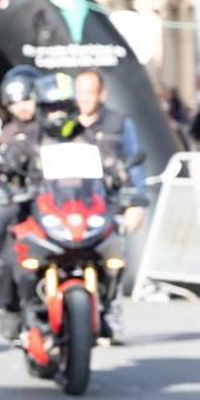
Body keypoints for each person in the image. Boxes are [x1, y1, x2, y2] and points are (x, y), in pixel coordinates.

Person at [65, 68, 147, 343]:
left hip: (107, 204)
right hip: (69, 204)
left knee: (113, 260)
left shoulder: (119, 123)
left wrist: (136, 203)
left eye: (90, 92)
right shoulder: (65, 123)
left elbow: (135, 164)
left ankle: (111, 314)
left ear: (102, 94)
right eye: (80, 92)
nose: (84, 98)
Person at [0, 67, 43, 312]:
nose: (22, 107)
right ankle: (5, 293)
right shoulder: (9, 132)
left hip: (57, 196)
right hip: (23, 197)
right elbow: (0, 170)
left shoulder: (54, 125)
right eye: (15, 102)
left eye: (27, 99)